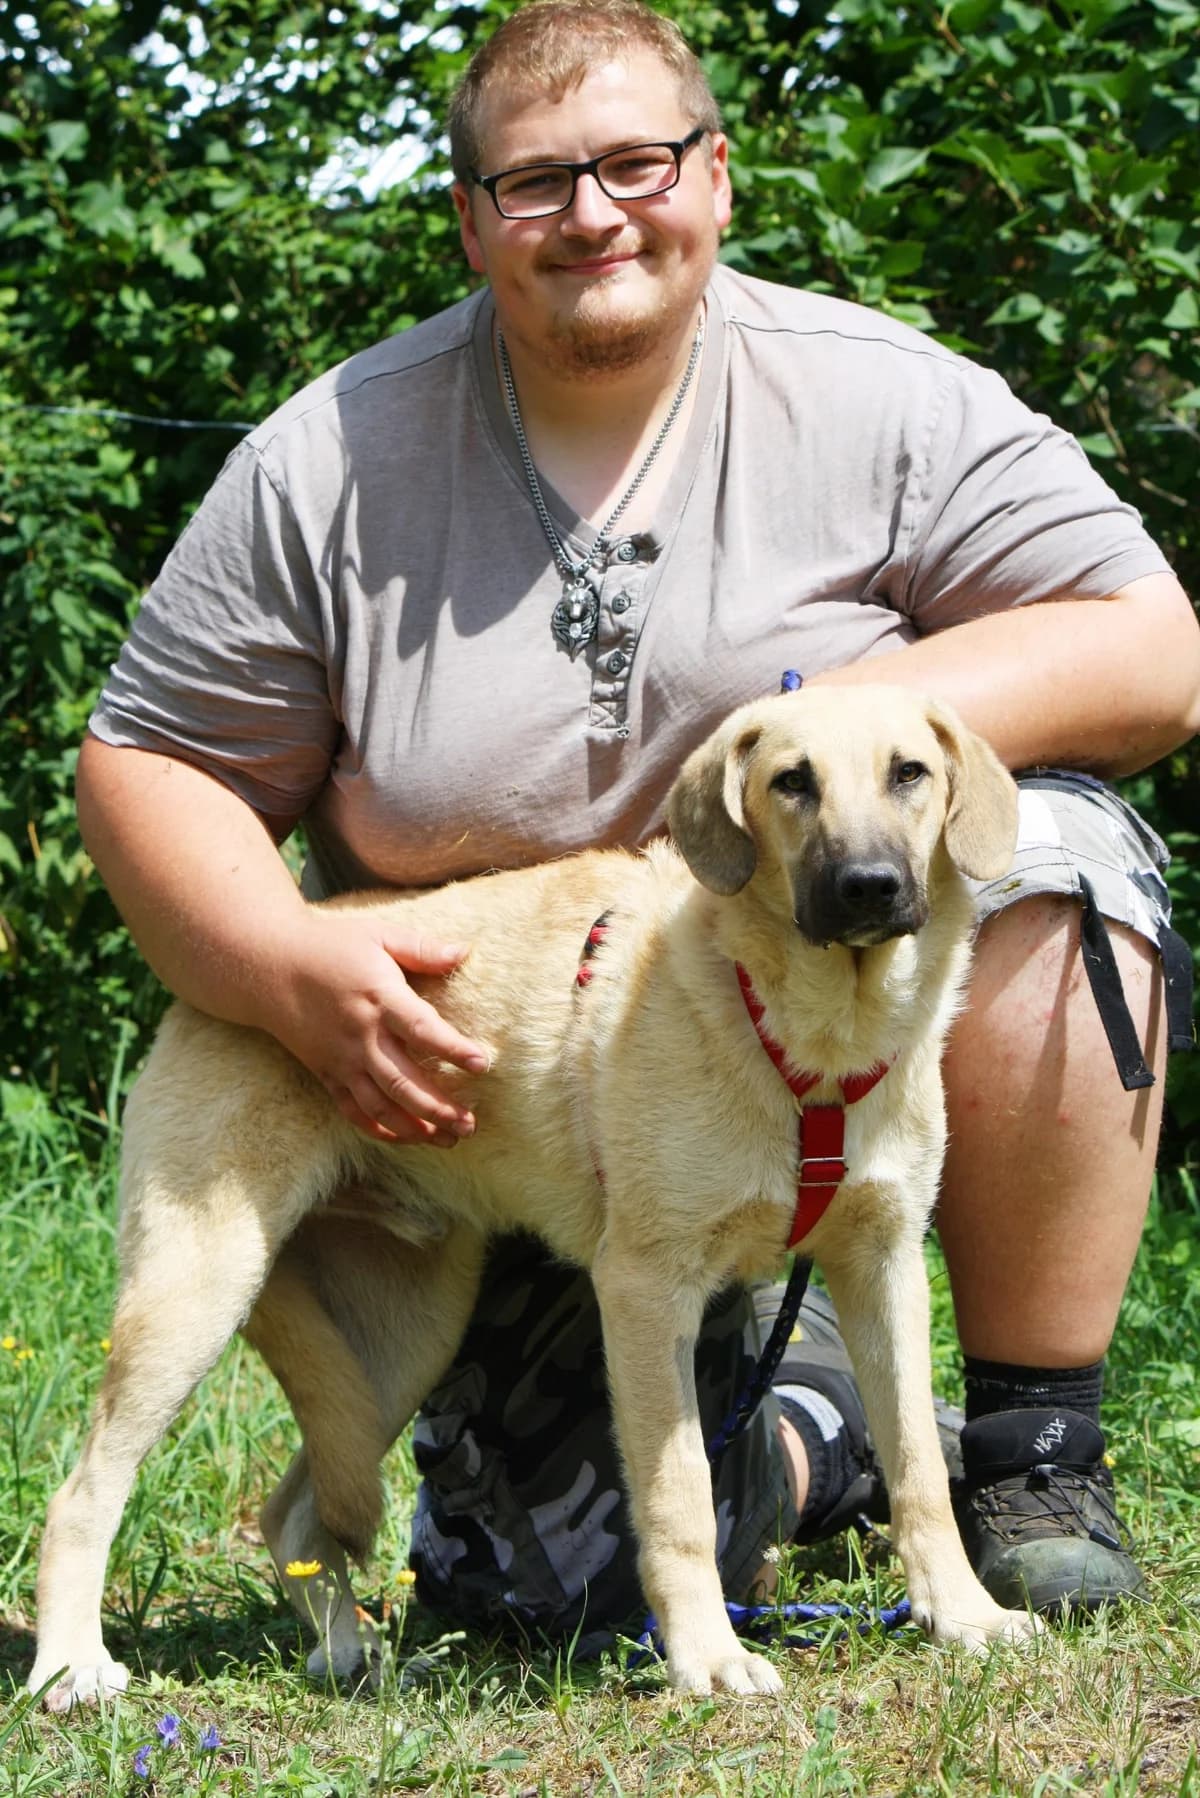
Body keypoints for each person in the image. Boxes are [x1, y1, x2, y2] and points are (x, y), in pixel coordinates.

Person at [77, 0, 1198, 1652]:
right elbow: (146, 763)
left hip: (808, 1006)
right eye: (535, 185)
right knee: (559, 1598)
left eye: (637, 162)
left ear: (718, 177)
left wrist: (836, 736)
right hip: (507, 1100)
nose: (595, 214)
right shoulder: (327, 454)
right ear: (470, 220)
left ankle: (1033, 1449)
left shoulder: (881, 395)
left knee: (1050, 850)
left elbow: (1153, 642)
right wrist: (283, 965)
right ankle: (803, 1414)